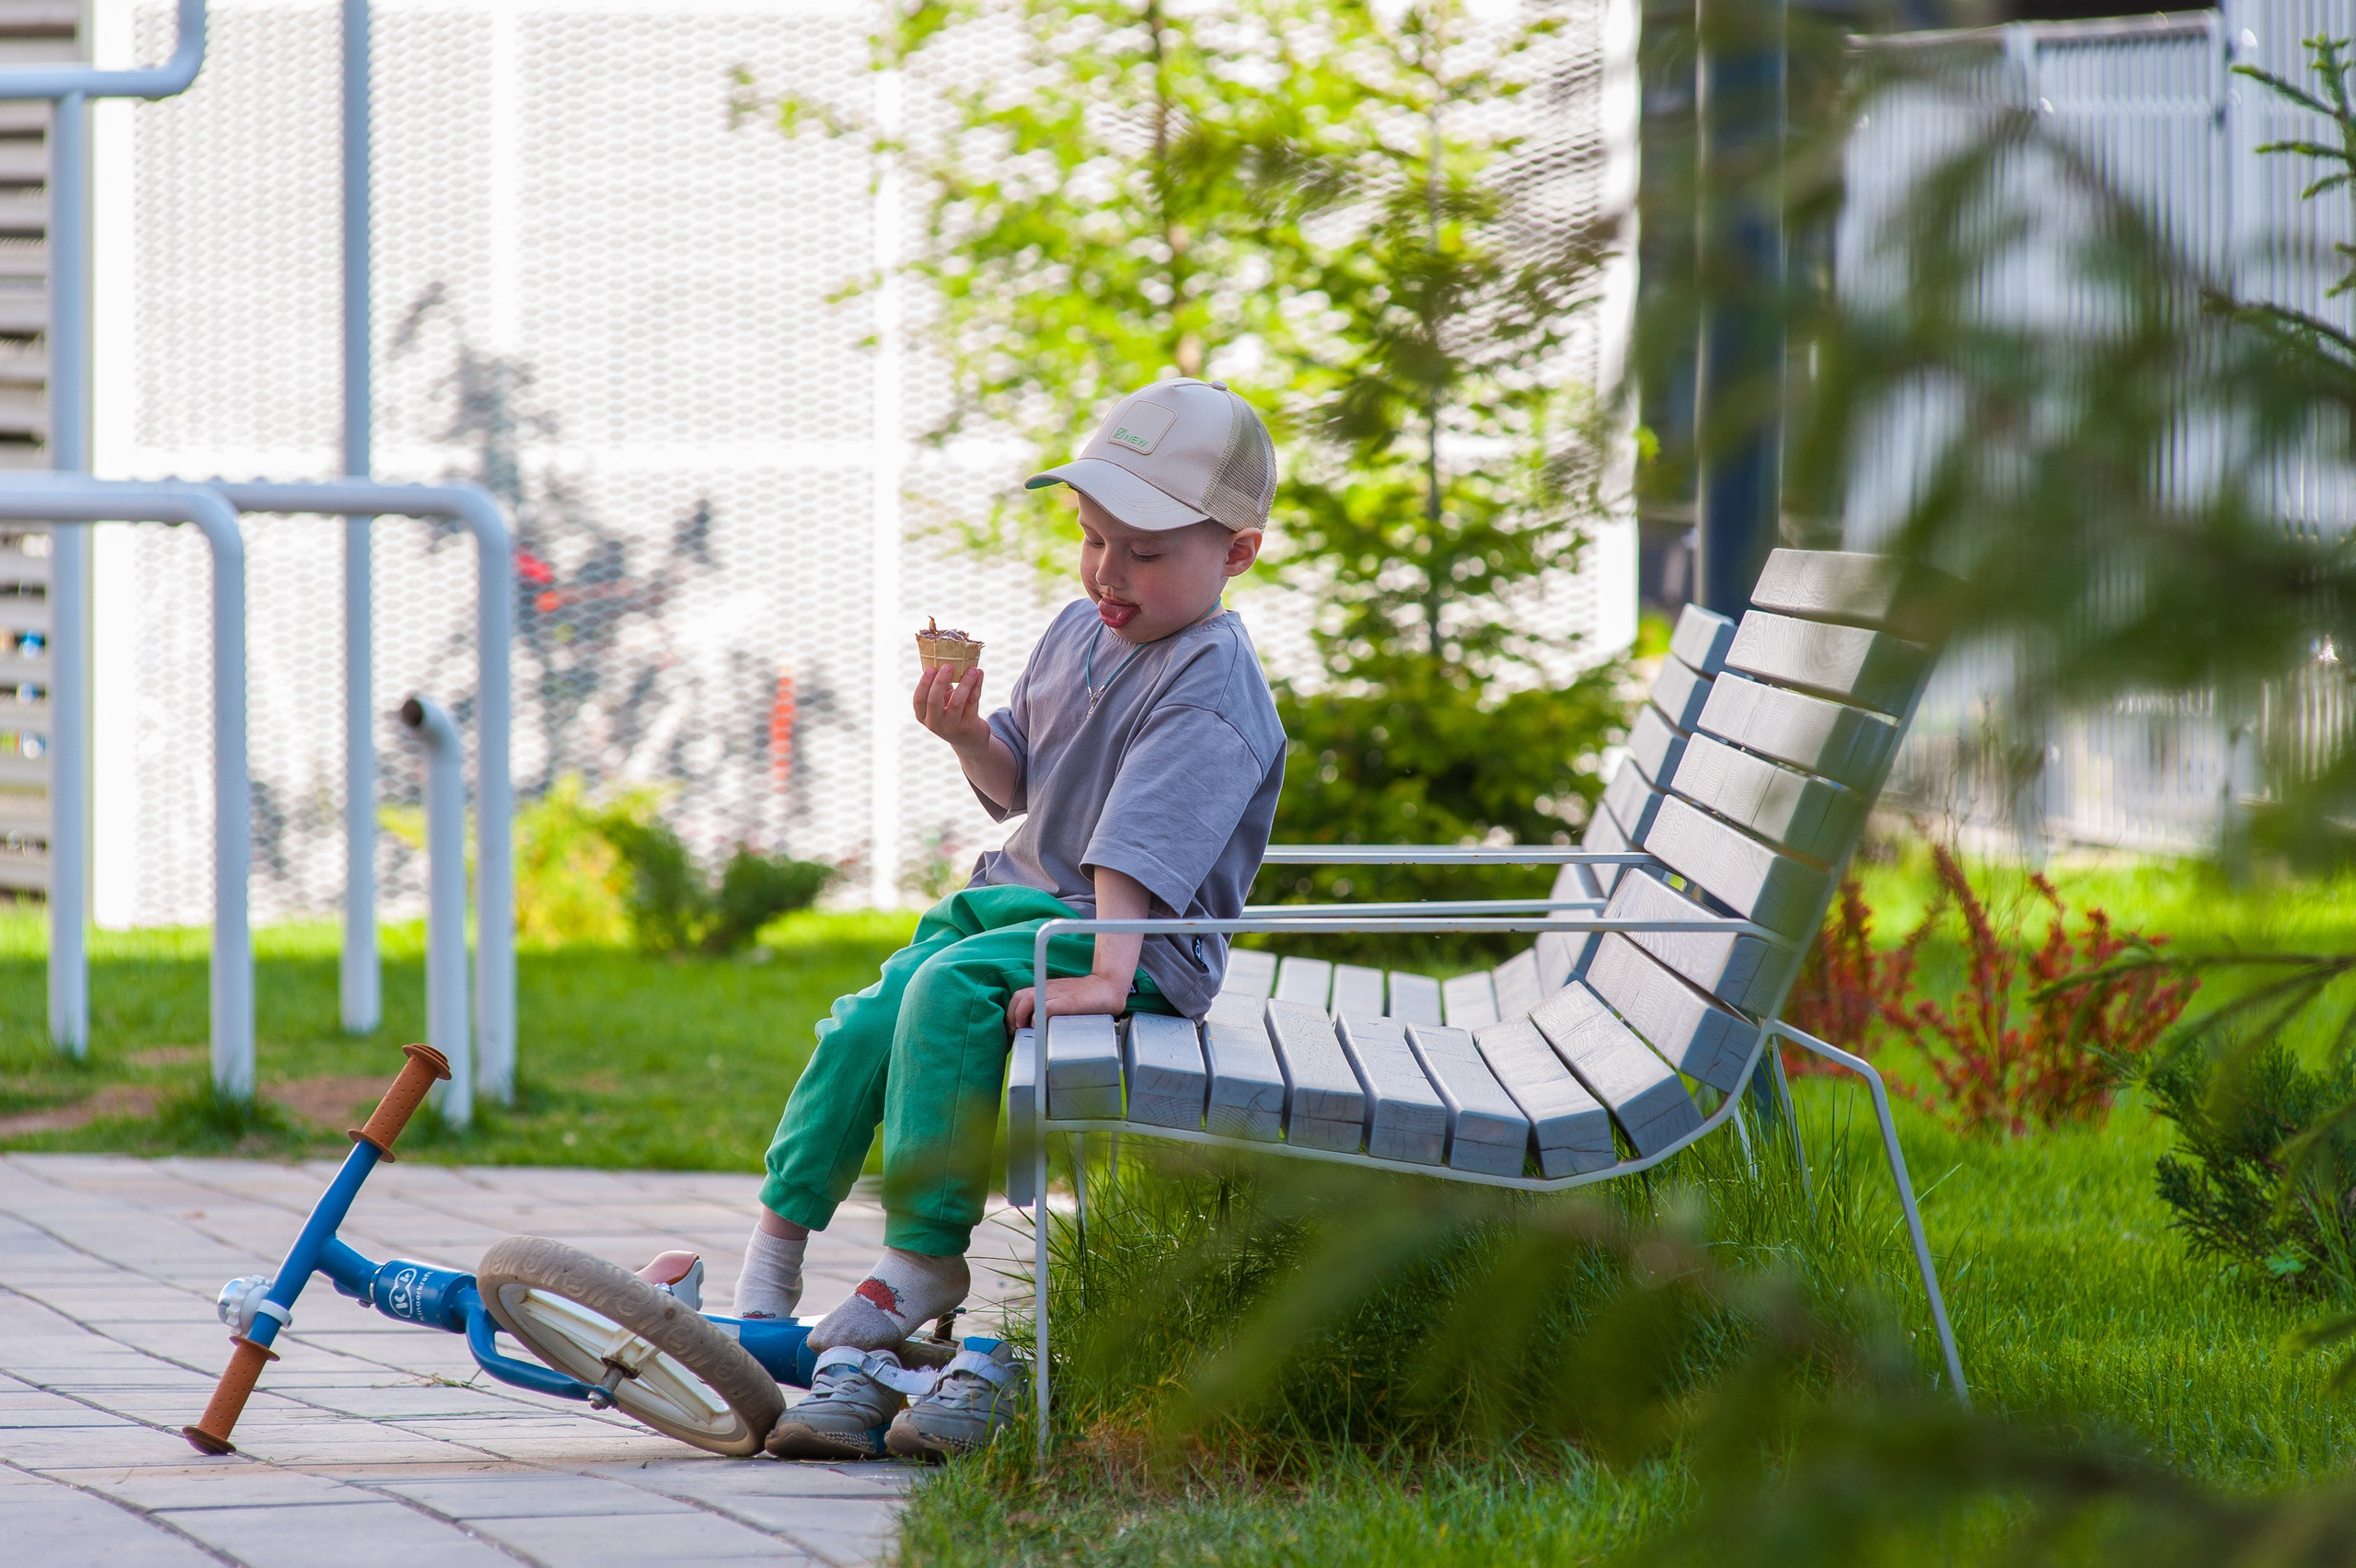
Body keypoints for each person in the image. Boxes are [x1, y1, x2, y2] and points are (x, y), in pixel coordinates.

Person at [740, 375, 1287, 1460]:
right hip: (1028, 905)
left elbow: (1138, 846)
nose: (1106, 573)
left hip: (1138, 937)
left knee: (948, 991)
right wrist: (960, 737)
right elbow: (1021, 777)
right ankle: (774, 1255)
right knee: (868, 1018)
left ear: (1235, 554)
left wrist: (1107, 978)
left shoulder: (1211, 683)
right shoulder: (1079, 631)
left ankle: (922, 1259)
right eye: (1093, 540)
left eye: (1143, 552)